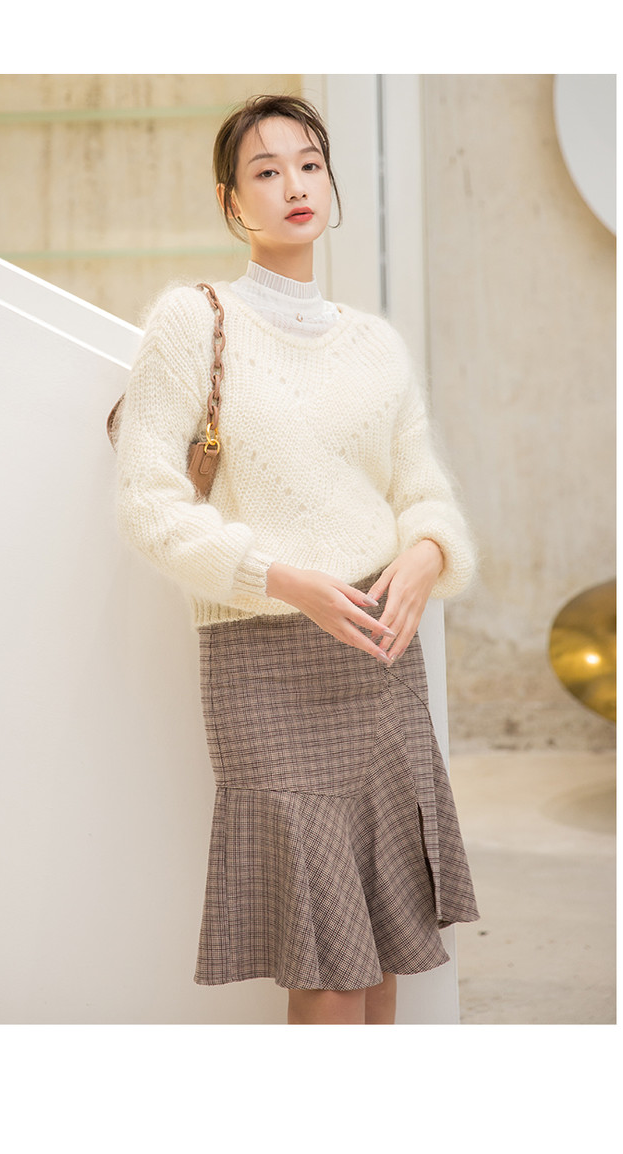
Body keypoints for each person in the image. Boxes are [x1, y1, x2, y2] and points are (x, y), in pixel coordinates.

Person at [115, 94, 479, 1025]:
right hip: (265, 657)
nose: (293, 185)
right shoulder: (192, 322)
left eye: (309, 164)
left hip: (378, 657)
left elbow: (423, 490)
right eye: (266, 170)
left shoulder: (375, 344)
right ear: (232, 201)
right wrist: (275, 579)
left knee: (385, 940)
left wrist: (428, 551)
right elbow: (148, 502)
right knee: (326, 958)